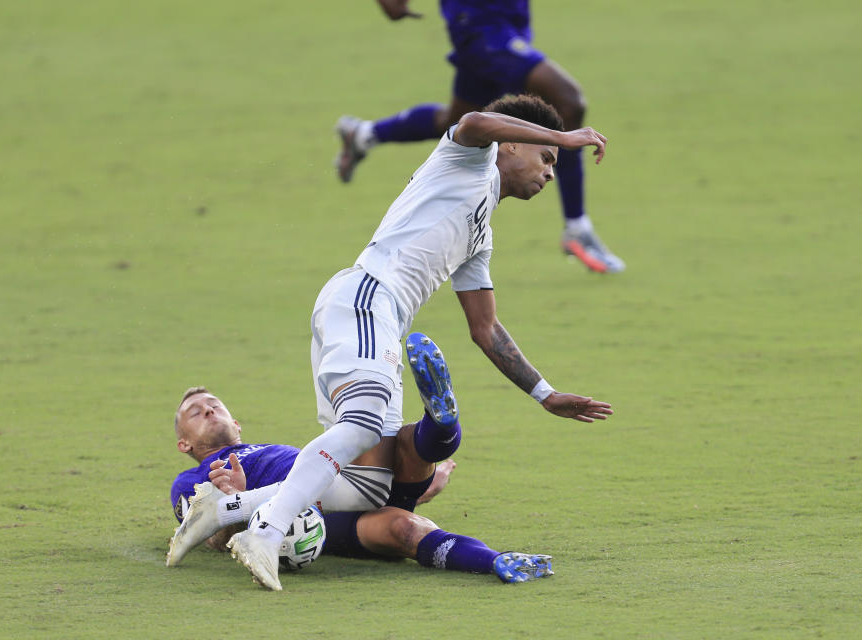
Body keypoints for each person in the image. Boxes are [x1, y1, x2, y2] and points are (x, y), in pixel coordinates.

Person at [234, 94, 613, 591]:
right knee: (365, 423)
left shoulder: (480, 233)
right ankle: (265, 530)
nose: (549, 172)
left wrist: (545, 394)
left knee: (368, 486)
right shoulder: (468, 159)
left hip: (377, 317)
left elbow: (486, 329)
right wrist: (564, 135)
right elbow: (475, 120)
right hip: (367, 297)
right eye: (546, 158)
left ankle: (222, 509)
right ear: (512, 143)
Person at [167, 336, 553, 583]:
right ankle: (495, 562)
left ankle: (440, 421)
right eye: (195, 412)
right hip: (316, 520)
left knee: (397, 449)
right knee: (404, 528)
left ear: (235, 423)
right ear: (184, 443)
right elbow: (211, 538)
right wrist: (238, 505)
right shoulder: (191, 480)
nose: (207, 410)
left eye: (213, 405)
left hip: (349, 482)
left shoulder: (268, 449)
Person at [335, 0, 626, 274]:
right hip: (481, 25)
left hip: (506, 20)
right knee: (570, 102)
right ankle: (577, 228)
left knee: (456, 122)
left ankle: (364, 135)